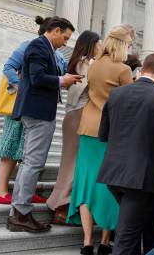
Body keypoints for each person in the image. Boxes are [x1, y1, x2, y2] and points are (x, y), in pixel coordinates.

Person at [97, 53, 154, 255]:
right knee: (126, 238)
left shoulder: (116, 94)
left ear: (141, 70)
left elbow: (103, 134)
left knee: (131, 234)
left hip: (113, 172)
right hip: (140, 178)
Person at [7, 16, 81, 233]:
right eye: (65, 38)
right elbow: (37, 77)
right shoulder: (39, 46)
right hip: (38, 112)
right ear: (56, 30)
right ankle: (21, 213)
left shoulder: (43, 47)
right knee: (34, 163)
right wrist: (62, 81)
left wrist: (62, 77)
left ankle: (17, 212)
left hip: (35, 110)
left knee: (29, 162)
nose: (66, 43)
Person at [0, 16, 67, 205]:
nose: (65, 42)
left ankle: (25, 192)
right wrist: (22, 87)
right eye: (64, 37)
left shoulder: (59, 55)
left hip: (41, 107)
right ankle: (2, 190)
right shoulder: (29, 46)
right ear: (52, 31)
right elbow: (9, 68)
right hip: (21, 105)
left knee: (29, 151)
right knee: (12, 143)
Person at [68, 26, 134, 255]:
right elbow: (129, 104)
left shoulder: (94, 65)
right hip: (111, 131)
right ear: (123, 45)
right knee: (108, 184)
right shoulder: (124, 70)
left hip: (88, 126)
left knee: (85, 182)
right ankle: (105, 243)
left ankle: (87, 242)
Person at [46, 30, 101, 222]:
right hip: (79, 115)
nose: (100, 46)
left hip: (73, 115)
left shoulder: (77, 62)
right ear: (91, 44)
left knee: (70, 162)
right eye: (98, 43)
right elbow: (87, 88)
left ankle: (62, 204)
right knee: (73, 164)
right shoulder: (88, 63)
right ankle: (60, 205)